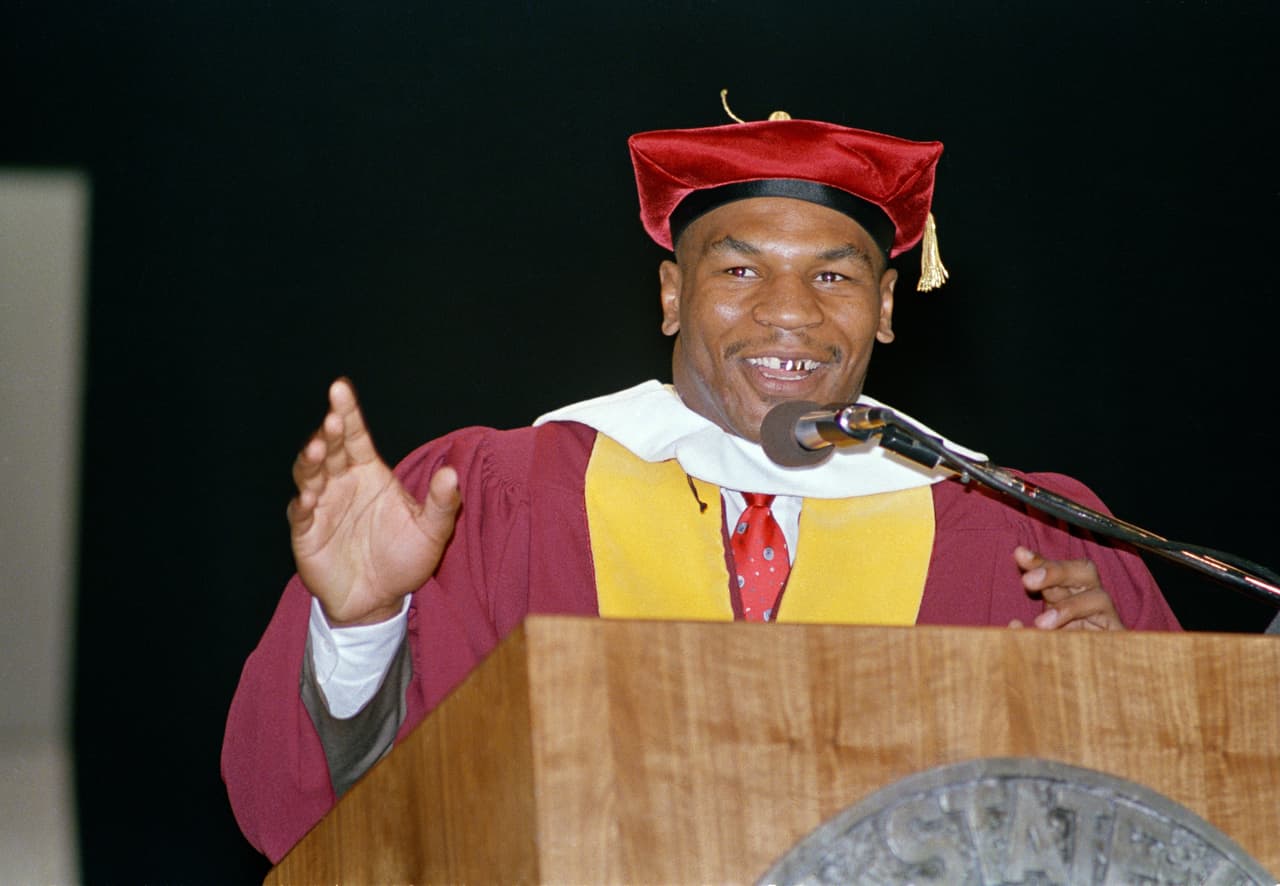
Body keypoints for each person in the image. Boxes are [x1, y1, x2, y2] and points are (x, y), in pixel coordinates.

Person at [221, 105, 1181, 863]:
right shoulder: (501, 497)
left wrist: (1115, 701)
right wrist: (361, 629)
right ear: (674, 295)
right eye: (740, 269)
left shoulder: (1020, 534)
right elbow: (302, 817)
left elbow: (1175, 831)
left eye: (836, 279)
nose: (789, 314)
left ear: (887, 309)